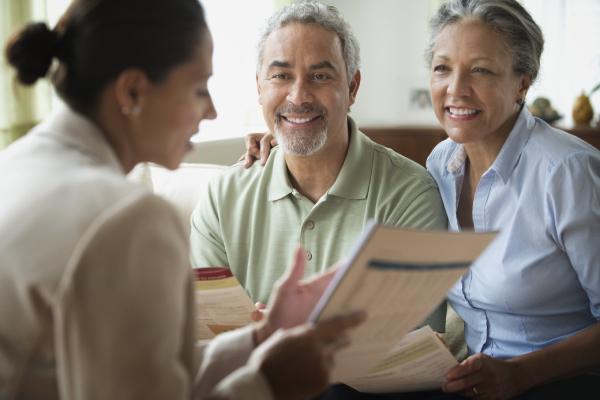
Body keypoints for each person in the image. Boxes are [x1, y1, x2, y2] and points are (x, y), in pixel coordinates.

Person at [0, 0, 366, 399]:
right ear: (133, 90)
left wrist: (259, 339)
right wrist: (271, 383)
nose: (210, 111)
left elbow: (141, 374)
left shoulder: (14, 166)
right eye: (198, 88)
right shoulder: (127, 217)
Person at [244, 0, 600, 398]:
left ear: (522, 82)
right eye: (443, 68)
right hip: (474, 381)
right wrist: (288, 138)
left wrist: (519, 374)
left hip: (561, 382)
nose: (456, 89)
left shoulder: (567, 172)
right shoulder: (443, 163)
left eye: (480, 70)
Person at [189, 1, 447, 323]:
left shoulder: (410, 195)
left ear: (352, 88)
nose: (298, 96)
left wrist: (284, 336)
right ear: (259, 86)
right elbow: (208, 331)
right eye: (281, 75)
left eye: (320, 76)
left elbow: (414, 347)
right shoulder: (222, 197)